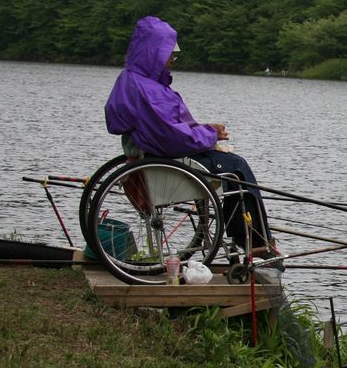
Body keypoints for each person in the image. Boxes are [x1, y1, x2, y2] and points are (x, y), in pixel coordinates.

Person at [104, 15, 278, 260]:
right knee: (236, 166)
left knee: (228, 164)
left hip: (153, 153)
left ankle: (249, 238)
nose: (173, 60)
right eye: (169, 54)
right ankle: (257, 241)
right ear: (154, 53)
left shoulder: (131, 81)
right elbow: (169, 135)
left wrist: (204, 129)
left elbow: (166, 128)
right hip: (165, 159)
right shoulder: (147, 90)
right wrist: (209, 134)